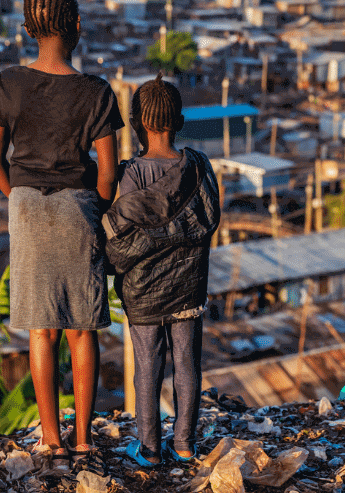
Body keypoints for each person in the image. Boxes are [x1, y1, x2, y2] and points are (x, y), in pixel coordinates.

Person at [0, 0, 123, 467]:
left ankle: (51, 439)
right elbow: (108, 171)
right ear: (77, 27)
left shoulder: (8, 81)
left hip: (26, 208)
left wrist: (19, 198)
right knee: (83, 329)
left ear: (27, 30)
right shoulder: (96, 92)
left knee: (41, 331)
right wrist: (95, 210)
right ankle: (83, 439)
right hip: (78, 208)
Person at [103, 74, 220, 466]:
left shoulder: (132, 173)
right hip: (189, 284)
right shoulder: (199, 167)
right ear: (180, 121)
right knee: (187, 362)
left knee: (147, 367)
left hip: (142, 289)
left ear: (137, 122)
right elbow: (206, 221)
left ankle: (149, 448)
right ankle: (185, 443)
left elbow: (127, 233)